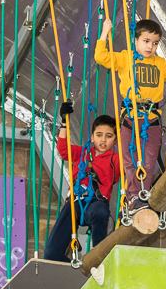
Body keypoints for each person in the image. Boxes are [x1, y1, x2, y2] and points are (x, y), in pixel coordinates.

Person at [94, 18, 166, 212]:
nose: (150, 47)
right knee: (129, 158)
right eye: (146, 41)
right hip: (129, 117)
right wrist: (104, 32)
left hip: (151, 118)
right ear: (135, 41)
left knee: (149, 158)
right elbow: (101, 57)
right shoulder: (125, 58)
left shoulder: (160, 64)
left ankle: (143, 193)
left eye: (155, 43)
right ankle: (133, 196)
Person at [43, 112, 120, 263]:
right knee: (51, 253)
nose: (103, 139)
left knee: (100, 213)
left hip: (96, 203)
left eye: (109, 136)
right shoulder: (82, 153)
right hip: (75, 203)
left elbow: (129, 164)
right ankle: (74, 270)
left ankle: (100, 258)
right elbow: (63, 149)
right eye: (99, 135)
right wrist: (64, 122)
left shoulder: (116, 160)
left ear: (115, 140)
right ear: (92, 137)